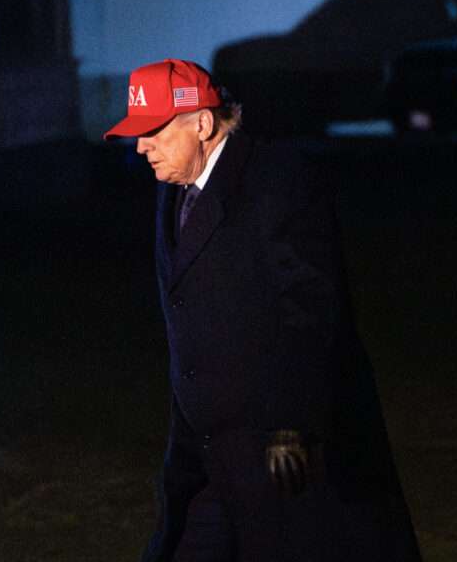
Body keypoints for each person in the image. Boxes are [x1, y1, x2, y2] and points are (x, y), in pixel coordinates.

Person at [104, 59, 422, 562]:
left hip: (282, 460)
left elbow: (313, 312)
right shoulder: (172, 195)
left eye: (153, 132)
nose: (140, 146)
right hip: (206, 459)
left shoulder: (277, 182)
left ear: (202, 124)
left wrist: (292, 425)